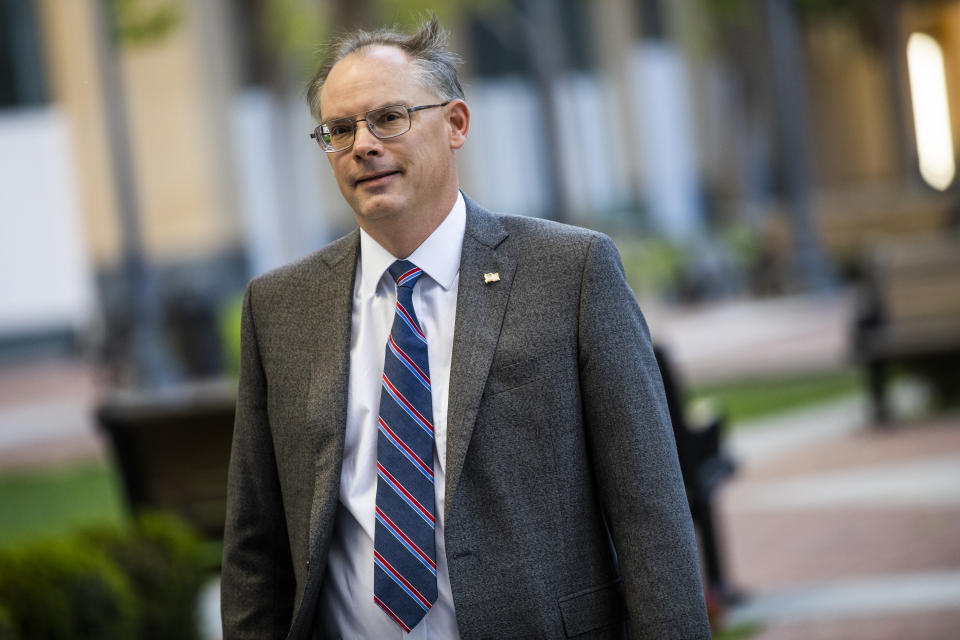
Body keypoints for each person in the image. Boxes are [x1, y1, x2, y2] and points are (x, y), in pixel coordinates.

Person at [221, 16, 710, 640]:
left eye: (388, 118)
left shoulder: (571, 272)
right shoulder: (279, 306)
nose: (363, 144)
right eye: (339, 130)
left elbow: (650, 513)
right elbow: (253, 548)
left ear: (455, 124)